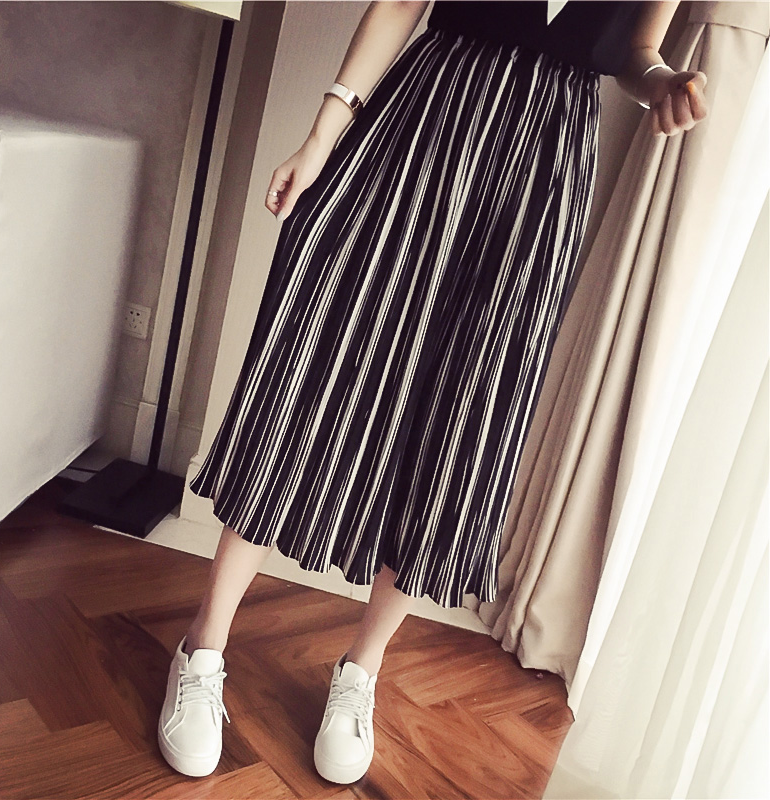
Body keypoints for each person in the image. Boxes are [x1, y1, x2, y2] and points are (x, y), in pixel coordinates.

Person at [157, 0, 708, 784]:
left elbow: (636, 49)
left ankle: (361, 670)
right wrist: (323, 133)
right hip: (426, 122)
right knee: (317, 369)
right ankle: (203, 646)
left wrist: (662, 83)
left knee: (467, 415)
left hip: (546, 165)